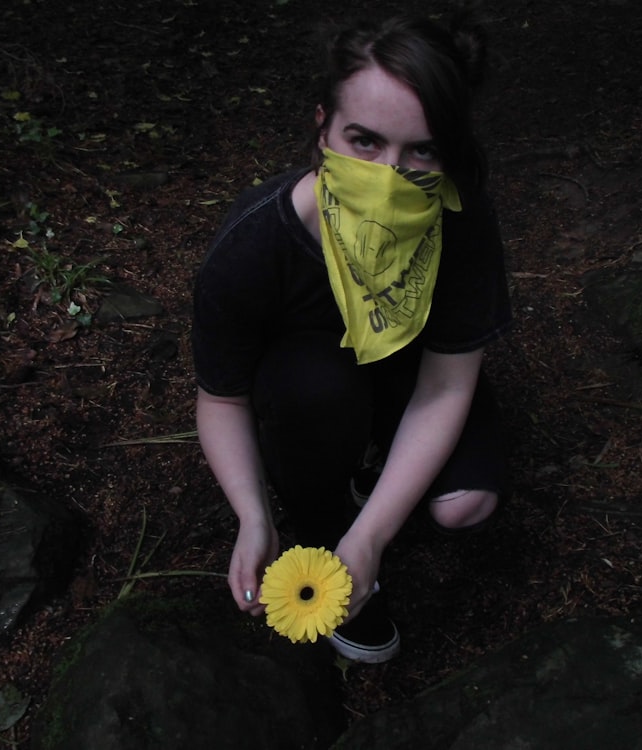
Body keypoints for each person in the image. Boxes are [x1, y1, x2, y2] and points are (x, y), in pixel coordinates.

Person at [192, 7, 512, 664]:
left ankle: (370, 483)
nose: (391, 175)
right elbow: (220, 399)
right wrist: (254, 515)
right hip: (308, 386)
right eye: (365, 141)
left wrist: (372, 537)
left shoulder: (461, 214)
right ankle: (323, 517)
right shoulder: (254, 244)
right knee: (315, 386)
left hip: (410, 376)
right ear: (323, 128)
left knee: (466, 507)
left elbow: (447, 381)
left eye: (423, 149)